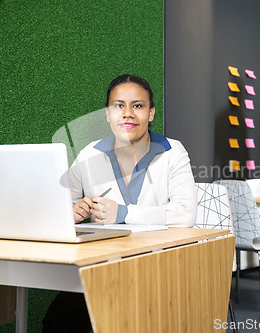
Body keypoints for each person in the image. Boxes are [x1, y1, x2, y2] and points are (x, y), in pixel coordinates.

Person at [43, 74, 197, 332]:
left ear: (151, 113)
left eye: (137, 105)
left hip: (158, 269)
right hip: (101, 270)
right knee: (59, 319)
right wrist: (73, 212)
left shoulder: (173, 151)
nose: (127, 113)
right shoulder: (89, 154)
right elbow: (59, 206)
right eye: (118, 105)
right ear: (107, 114)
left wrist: (124, 213)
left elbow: (185, 214)